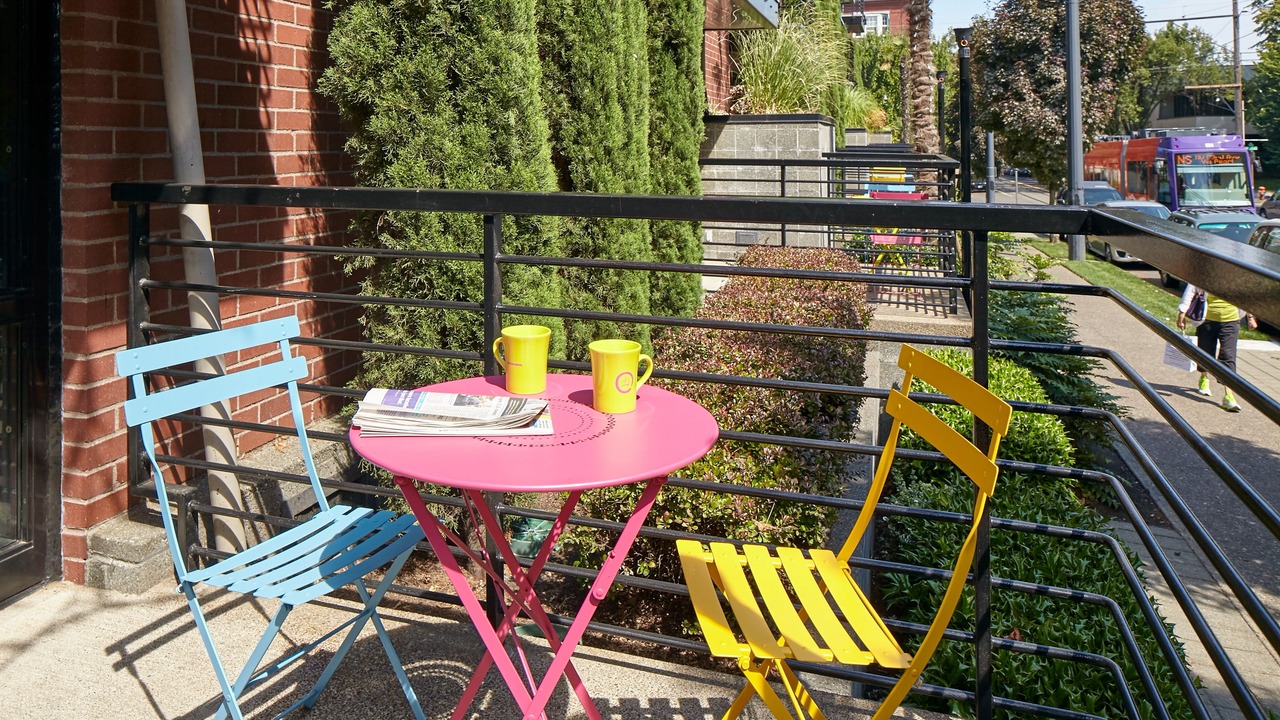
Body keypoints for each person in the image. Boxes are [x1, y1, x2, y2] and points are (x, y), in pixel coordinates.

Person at [1176, 283, 1257, 412]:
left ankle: (1229, 396)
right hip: (1206, 319)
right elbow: (1191, 290)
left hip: (1231, 321)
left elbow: (1247, 297)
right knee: (1205, 352)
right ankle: (1204, 377)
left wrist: (1250, 317)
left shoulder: (1238, 276)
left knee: (1228, 356)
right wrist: (1182, 311)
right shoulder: (1206, 272)